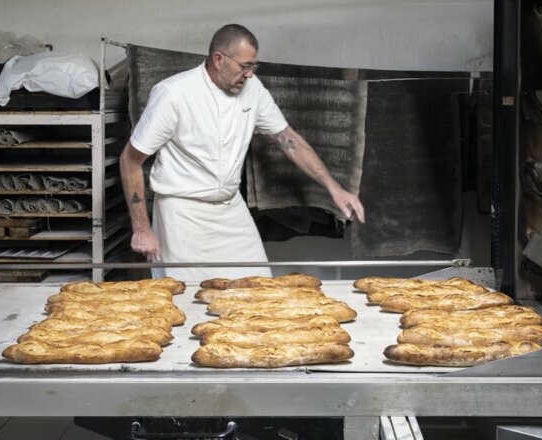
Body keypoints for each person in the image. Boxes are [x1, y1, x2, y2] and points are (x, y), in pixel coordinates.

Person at [120, 24, 365, 282]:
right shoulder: (174, 94)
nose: (249, 74)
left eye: (253, 67)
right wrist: (141, 228)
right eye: (244, 66)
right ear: (218, 59)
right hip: (182, 214)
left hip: (230, 208)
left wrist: (334, 188)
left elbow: (287, 138)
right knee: (187, 298)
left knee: (258, 288)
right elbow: (130, 160)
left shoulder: (253, 89)